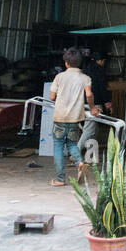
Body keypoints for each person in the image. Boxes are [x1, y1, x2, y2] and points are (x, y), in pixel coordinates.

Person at [49, 46, 95, 187]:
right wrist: (92, 108)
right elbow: (88, 95)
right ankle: (80, 162)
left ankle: (60, 179)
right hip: (75, 118)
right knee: (71, 144)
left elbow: (52, 97)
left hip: (60, 117)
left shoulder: (59, 77)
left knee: (58, 146)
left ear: (66, 63)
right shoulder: (85, 78)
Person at [79, 49, 111, 162]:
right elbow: (102, 88)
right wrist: (107, 102)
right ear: (101, 61)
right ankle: (75, 154)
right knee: (89, 130)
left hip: (82, 102)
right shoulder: (100, 71)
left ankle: (90, 156)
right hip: (94, 103)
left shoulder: (85, 70)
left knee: (93, 130)